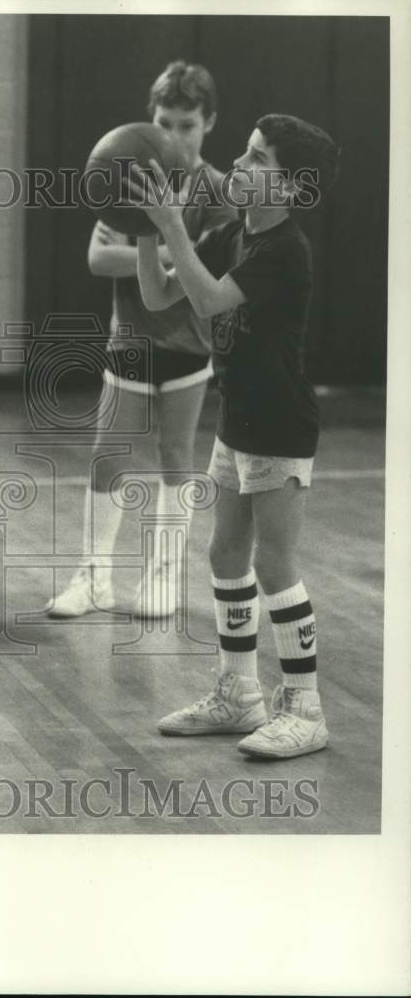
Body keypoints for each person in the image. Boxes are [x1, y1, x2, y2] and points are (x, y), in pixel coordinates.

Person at [131, 113, 341, 758]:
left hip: (280, 423)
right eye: (245, 154)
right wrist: (144, 229)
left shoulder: (286, 249)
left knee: (274, 563)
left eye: (259, 161)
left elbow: (210, 302)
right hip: (238, 420)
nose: (241, 166)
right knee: (226, 555)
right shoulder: (232, 233)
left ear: (291, 189)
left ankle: (305, 708)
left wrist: (171, 225)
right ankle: (239, 693)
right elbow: (161, 295)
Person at [47, 61, 236, 620]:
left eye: (187, 125)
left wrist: (173, 258)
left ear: (209, 124)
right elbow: (96, 257)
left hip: (189, 342)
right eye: (164, 122)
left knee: (177, 455)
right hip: (129, 337)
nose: (174, 135)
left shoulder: (219, 190)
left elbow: (202, 273)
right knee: (108, 456)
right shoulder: (126, 169)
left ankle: (162, 576)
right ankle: (94, 578)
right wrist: (169, 257)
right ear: (149, 118)